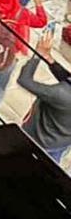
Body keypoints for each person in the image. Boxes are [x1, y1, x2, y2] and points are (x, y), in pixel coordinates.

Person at [17, 30, 71, 165]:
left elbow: (24, 80)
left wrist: (37, 55)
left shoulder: (60, 93)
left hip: (37, 139)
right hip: (61, 143)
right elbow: (67, 79)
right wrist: (49, 59)